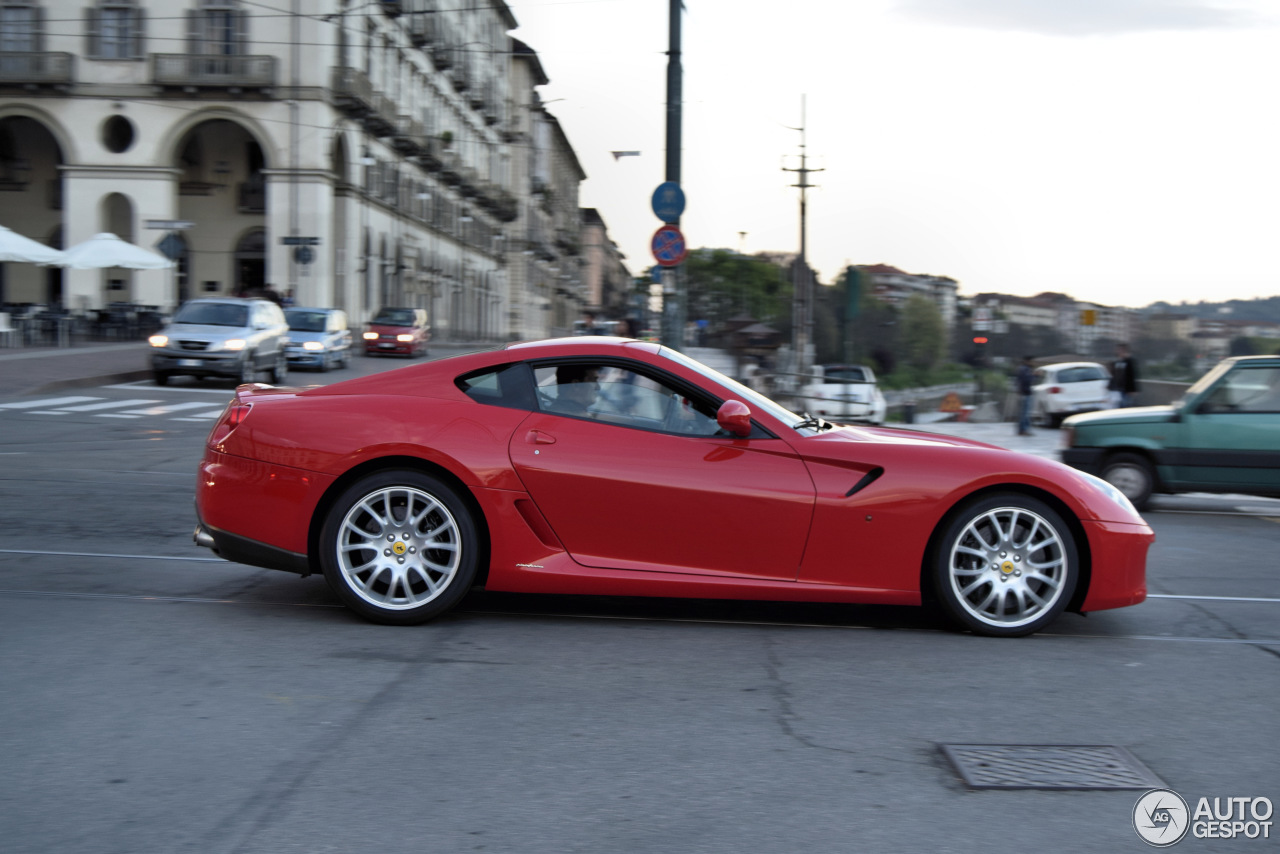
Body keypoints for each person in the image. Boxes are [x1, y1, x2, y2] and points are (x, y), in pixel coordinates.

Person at [1109, 343, 1139, 408]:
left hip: (1126, 390)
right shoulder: (1117, 362)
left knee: (1125, 406)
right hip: (1117, 389)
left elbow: (1133, 375)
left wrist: (1132, 389)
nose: (1118, 352)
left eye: (1120, 350)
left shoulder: (1130, 361)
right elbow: (1113, 375)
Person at [1015, 355, 1034, 436]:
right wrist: (1035, 375)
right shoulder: (1026, 369)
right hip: (1025, 393)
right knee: (1025, 413)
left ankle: (1022, 429)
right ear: (1027, 361)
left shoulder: (1022, 369)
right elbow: (1027, 380)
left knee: (1023, 413)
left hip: (1023, 392)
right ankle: (1023, 430)